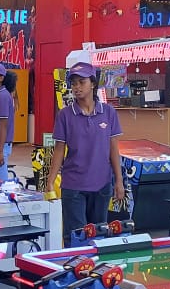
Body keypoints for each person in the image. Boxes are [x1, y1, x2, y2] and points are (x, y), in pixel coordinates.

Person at [46, 61, 126, 242]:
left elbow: (114, 148)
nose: (76, 87)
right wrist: (50, 181)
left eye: (82, 82)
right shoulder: (65, 114)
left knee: (99, 237)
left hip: (102, 185)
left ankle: (98, 271)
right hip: (73, 187)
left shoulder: (108, 112)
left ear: (93, 83)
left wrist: (119, 181)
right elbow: (59, 149)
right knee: (77, 238)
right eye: (73, 83)